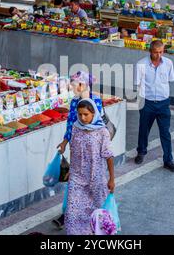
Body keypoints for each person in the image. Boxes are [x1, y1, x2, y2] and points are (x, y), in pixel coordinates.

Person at [54, 71, 103, 230]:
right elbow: (70, 124)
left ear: (82, 85)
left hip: (93, 151)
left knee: (92, 185)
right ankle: (68, 214)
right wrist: (65, 142)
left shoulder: (95, 101)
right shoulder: (74, 101)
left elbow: (98, 126)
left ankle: (94, 219)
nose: (71, 87)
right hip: (76, 150)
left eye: (73, 84)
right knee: (74, 182)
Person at [63, 98, 115, 235]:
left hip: (96, 177)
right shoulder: (75, 127)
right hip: (77, 176)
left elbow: (109, 156)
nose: (82, 117)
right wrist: (71, 170)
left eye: (86, 114)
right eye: (80, 114)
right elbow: (73, 150)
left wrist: (111, 179)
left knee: (98, 211)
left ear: (93, 114)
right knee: (72, 211)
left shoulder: (102, 132)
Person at [134, 40, 174, 172]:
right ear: (150, 52)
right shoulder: (141, 64)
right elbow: (137, 83)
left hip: (163, 103)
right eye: (155, 53)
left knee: (165, 132)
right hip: (147, 102)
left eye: (161, 52)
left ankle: (168, 160)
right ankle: (141, 152)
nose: (158, 55)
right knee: (144, 129)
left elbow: (169, 80)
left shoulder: (169, 63)